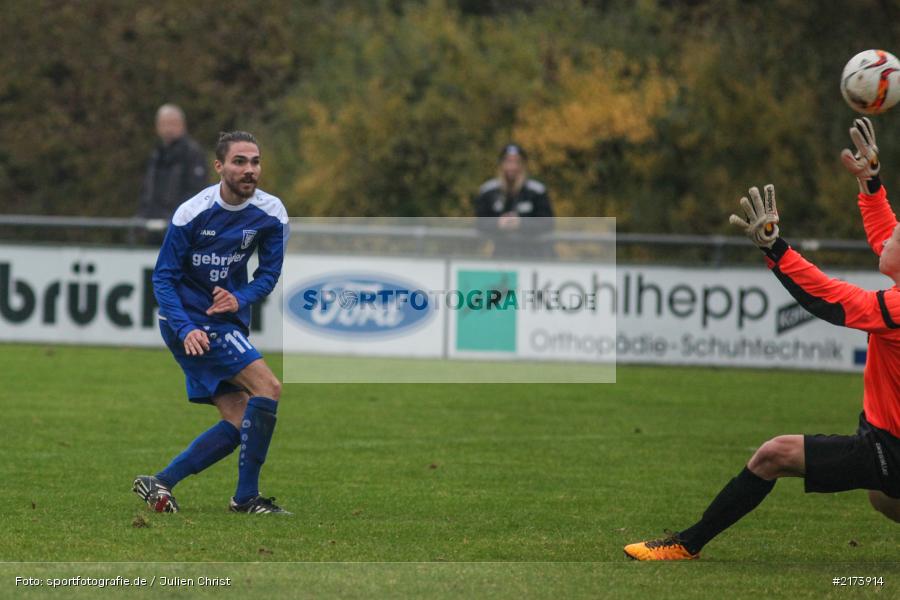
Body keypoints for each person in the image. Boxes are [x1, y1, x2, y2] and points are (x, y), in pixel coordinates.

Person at [624, 118, 900, 560]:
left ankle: (685, 545)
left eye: (897, 237)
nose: (888, 238)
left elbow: (829, 298)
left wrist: (775, 249)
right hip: (883, 434)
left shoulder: (897, 308)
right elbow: (885, 234)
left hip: (891, 447)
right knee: (883, 500)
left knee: (773, 455)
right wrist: (871, 183)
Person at [132, 131, 291, 515]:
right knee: (268, 387)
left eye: (255, 161)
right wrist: (186, 328)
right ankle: (246, 498)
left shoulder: (272, 213)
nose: (250, 169)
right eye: (239, 161)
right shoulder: (192, 213)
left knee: (239, 421)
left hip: (224, 319)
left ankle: (161, 481)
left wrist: (240, 297)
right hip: (189, 321)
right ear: (219, 166)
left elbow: (268, 274)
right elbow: (163, 277)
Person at [474, 143, 555, 257]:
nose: (512, 167)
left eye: (517, 162)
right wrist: (498, 224)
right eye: (508, 161)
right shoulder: (488, 191)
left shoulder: (536, 191)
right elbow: (479, 222)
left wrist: (521, 223)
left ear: (523, 165)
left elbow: (547, 223)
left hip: (532, 254)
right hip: (499, 254)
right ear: (501, 164)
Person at [137, 104, 209, 222]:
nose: (168, 129)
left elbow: (197, 191)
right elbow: (147, 190)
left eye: (172, 123)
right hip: (152, 222)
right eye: (164, 124)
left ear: (183, 125)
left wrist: (177, 217)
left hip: (179, 222)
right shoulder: (156, 154)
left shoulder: (193, 153)